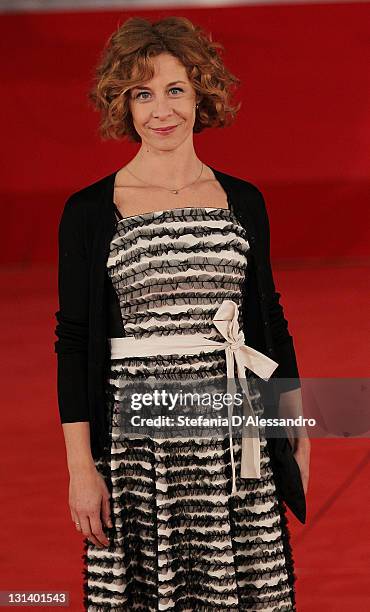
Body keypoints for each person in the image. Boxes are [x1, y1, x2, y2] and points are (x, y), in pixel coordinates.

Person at [55, 15, 310, 611]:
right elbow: (74, 341)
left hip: (236, 443)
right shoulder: (90, 211)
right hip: (136, 452)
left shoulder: (242, 200)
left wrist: (296, 433)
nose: (160, 110)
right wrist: (80, 469)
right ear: (123, 103)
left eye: (176, 90)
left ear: (202, 95)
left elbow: (269, 319)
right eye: (143, 93)